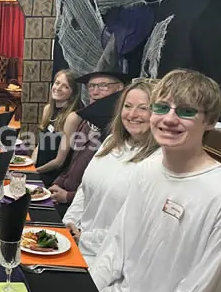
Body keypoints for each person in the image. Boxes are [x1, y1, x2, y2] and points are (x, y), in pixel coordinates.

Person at [91, 69, 221, 292]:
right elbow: (116, 246)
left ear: (209, 121)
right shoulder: (147, 169)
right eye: (161, 107)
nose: (169, 119)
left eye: (186, 111)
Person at [62, 80, 160, 266]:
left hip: (109, 259)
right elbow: (85, 189)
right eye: (128, 106)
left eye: (143, 108)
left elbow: (137, 228)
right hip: (76, 244)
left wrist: (85, 238)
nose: (132, 114)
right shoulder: (110, 142)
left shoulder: (157, 161)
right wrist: (69, 222)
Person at [49, 70, 128, 216]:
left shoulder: (118, 133)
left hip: (81, 210)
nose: (95, 91)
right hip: (60, 195)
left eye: (103, 86)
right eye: (91, 86)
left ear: (120, 89)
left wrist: (67, 196)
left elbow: (105, 188)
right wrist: (56, 183)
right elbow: (70, 163)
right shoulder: (85, 121)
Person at [31, 69, 82, 186]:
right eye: (57, 83)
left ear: (73, 94)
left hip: (54, 178)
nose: (58, 88)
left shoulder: (72, 117)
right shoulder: (47, 109)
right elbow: (40, 145)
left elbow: (59, 162)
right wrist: (30, 164)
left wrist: (35, 172)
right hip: (39, 170)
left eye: (65, 86)